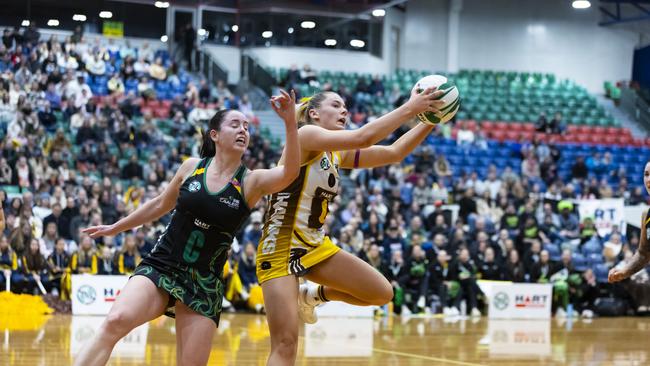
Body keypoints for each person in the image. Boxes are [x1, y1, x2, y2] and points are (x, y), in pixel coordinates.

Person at [73, 90, 300, 366]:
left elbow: (289, 173)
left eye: (246, 127)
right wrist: (116, 227)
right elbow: (160, 204)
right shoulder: (192, 167)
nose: (243, 130)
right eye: (234, 124)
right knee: (115, 321)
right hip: (163, 263)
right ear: (214, 135)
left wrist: (290, 122)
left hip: (204, 280)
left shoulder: (251, 182)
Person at [256, 86, 444, 365]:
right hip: (280, 246)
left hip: (314, 245)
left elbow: (394, 152)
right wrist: (411, 107)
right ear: (314, 114)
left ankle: (313, 294)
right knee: (286, 344)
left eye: (345, 106)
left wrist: (430, 120)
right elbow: (364, 136)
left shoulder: (336, 154)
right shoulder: (305, 135)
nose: (344, 110)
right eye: (336, 105)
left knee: (381, 293)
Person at [609, 161, 650, 283]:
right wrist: (624, 271)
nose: (649, 179)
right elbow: (643, 254)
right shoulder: (646, 216)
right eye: (646, 174)